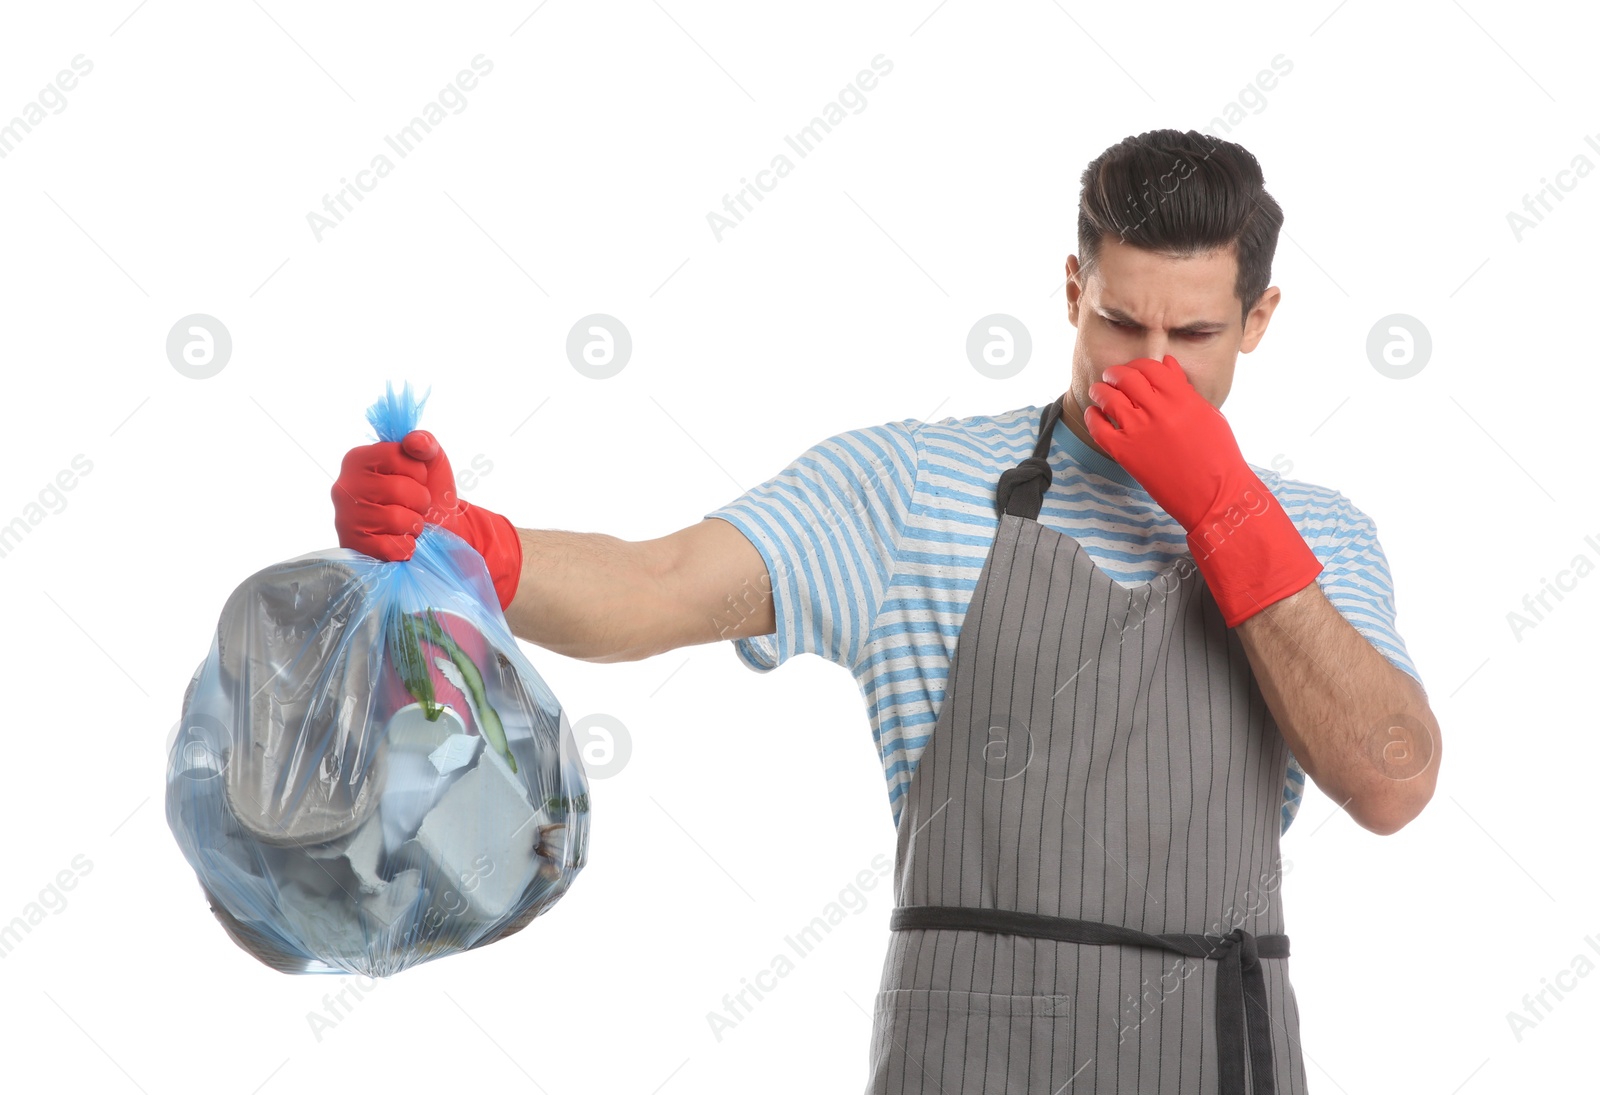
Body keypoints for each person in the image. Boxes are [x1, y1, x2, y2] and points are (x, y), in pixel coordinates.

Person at [331, 128, 1442, 1094]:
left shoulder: (1322, 539)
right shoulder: (912, 490)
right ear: (1070, 291)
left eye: (1192, 338)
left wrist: (1225, 510)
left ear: (1258, 321)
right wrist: (476, 545)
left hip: (1211, 1056)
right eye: (1118, 323)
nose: (1148, 369)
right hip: (962, 1061)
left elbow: (1390, 778)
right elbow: (662, 583)